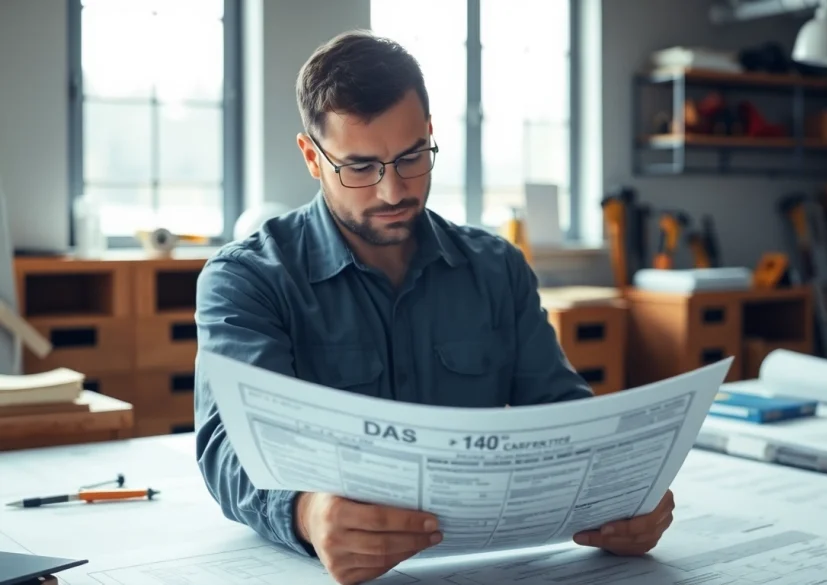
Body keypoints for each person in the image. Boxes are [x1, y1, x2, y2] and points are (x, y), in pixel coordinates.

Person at [193, 30, 674, 585]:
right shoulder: (247, 279)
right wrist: (305, 513)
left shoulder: (497, 268)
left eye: (412, 157)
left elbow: (564, 416)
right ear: (312, 157)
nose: (392, 191)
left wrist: (622, 492)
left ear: (429, 133)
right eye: (360, 167)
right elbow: (227, 447)